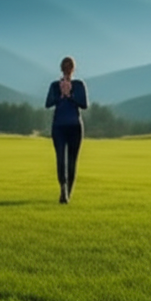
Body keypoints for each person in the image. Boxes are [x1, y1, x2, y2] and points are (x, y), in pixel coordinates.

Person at [45, 56, 88, 204]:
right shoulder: (55, 85)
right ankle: (63, 188)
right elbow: (48, 103)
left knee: (72, 161)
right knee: (61, 159)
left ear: (73, 69)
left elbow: (84, 104)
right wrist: (60, 94)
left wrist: (71, 95)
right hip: (59, 127)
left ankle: (67, 193)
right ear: (61, 69)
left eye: (69, 67)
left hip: (75, 127)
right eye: (65, 67)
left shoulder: (79, 85)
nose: (67, 70)